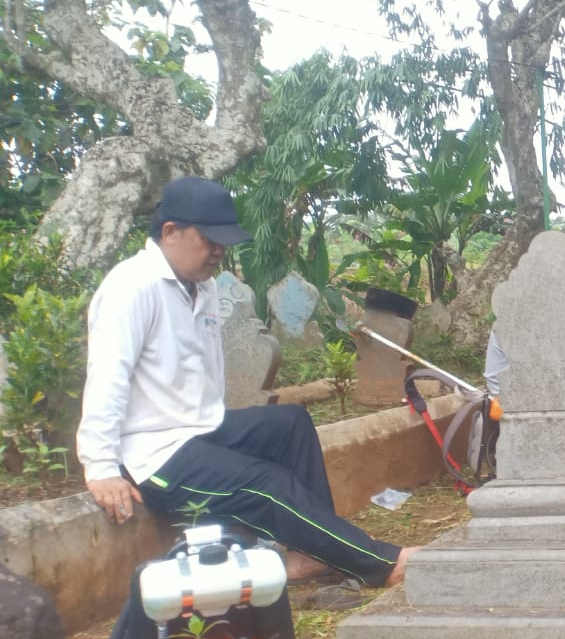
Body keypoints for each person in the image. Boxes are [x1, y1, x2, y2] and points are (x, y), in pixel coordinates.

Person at [76, 177, 415, 590]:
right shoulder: (131, 288)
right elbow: (107, 377)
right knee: (266, 484)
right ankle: (381, 563)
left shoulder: (200, 286)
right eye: (209, 239)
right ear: (170, 232)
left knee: (290, 424)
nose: (219, 250)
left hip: (202, 429)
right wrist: (101, 467)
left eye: (224, 241)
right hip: (156, 455)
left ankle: (310, 554)